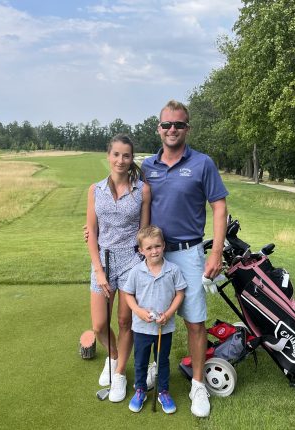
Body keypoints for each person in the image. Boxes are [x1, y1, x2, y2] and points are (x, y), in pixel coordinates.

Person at [140, 100, 228, 418]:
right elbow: (131, 201)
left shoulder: (203, 163)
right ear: (159, 128)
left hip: (190, 252)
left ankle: (198, 385)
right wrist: (94, 224)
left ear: (187, 128)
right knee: (152, 319)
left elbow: (219, 206)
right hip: (155, 255)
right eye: (167, 125)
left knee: (194, 321)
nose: (172, 130)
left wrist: (216, 250)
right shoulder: (148, 166)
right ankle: (151, 370)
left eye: (178, 124)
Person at [86, 134, 151, 403]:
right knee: (100, 324)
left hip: (131, 262)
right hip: (102, 260)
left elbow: (144, 231)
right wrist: (99, 270)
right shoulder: (95, 190)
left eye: (126, 155)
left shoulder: (142, 190)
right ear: (108, 156)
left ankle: (121, 374)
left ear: (131, 158)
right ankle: (112, 358)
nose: (121, 160)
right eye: (116, 154)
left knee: (125, 321)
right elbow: (91, 230)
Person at [121, 225, 186, 414]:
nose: (154, 251)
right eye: (148, 248)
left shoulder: (173, 270)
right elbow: (128, 294)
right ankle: (140, 389)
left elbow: (180, 293)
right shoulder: (136, 271)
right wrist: (138, 311)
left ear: (163, 245)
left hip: (163, 328)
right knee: (140, 361)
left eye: (157, 246)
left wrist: (169, 313)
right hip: (141, 327)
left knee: (162, 361)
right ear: (141, 250)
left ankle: (163, 391)